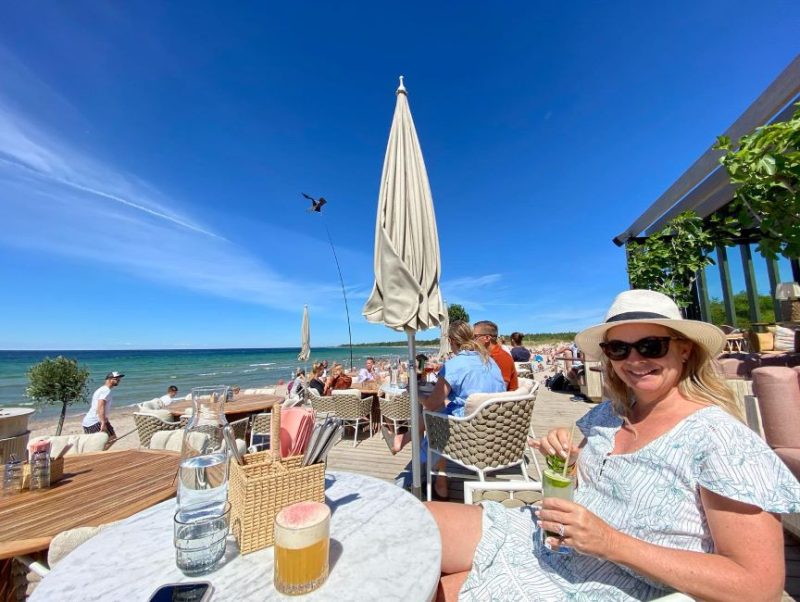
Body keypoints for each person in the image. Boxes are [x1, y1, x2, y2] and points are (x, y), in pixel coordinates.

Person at [427, 289, 800, 601]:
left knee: (437, 590)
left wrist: (611, 543)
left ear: (684, 350)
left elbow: (758, 585)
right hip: (547, 537)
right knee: (417, 522)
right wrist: (568, 465)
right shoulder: (611, 413)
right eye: (618, 349)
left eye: (651, 346)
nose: (634, 360)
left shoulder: (720, 440)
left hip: (608, 580)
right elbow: (590, 493)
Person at [383, 321, 505, 498]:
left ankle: (404, 443)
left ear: (450, 340)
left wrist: (413, 393)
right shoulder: (490, 362)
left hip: (466, 436)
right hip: (495, 433)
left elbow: (431, 404)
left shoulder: (455, 365)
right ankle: (404, 442)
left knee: (434, 410)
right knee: (442, 409)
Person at [473, 320, 518, 391]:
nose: (472, 340)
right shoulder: (486, 355)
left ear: (487, 338)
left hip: (502, 400)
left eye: (475, 336)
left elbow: (500, 389)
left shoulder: (502, 357)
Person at [82, 371, 124, 440]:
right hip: (95, 422)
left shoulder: (103, 389)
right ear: (109, 379)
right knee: (103, 441)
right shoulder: (106, 390)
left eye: (119, 379)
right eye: (116, 379)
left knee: (111, 438)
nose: (119, 380)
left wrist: (105, 420)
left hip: (91, 421)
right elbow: (100, 406)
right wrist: (103, 422)